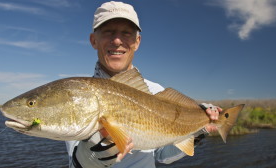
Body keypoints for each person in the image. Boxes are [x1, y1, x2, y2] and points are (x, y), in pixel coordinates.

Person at [66, 1, 222, 168]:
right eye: (108, 32)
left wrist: (198, 129)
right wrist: (87, 160)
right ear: (93, 40)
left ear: (137, 41)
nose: (117, 40)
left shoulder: (156, 91)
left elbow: (163, 155)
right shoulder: (79, 97)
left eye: (126, 33)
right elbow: (75, 163)